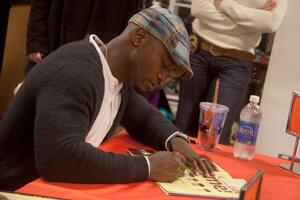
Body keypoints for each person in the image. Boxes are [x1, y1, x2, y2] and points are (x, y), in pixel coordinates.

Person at [0, 7, 217, 191]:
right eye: (163, 64)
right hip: (14, 187)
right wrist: (148, 166)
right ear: (139, 37)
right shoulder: (75, 71)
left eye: (170, 74)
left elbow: (145, 119)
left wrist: (179, 143)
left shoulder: (117, 80)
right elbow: (58, 158)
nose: (162, 78)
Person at [176, 0, 286, 145]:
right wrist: (248, 21)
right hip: (199, 53)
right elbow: (198, 9)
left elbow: (270, 23)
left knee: (215, 137)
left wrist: (222, 5)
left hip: (236, 63)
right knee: (182, 130)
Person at [25, 0, 145, 75]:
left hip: (99, 53)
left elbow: (130, 16)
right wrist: (36, 41)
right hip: (54, 41)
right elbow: (40, 3)